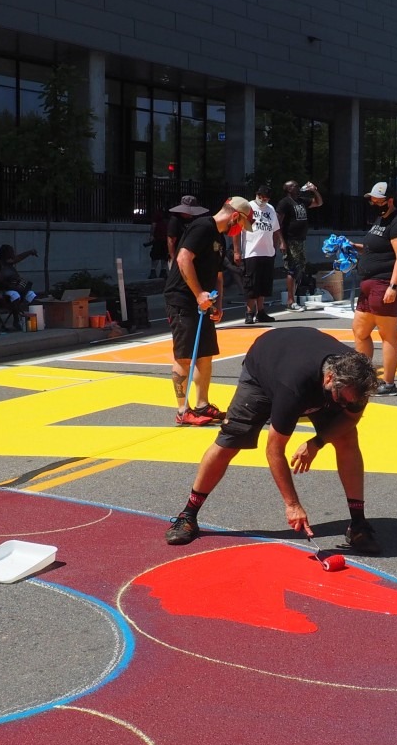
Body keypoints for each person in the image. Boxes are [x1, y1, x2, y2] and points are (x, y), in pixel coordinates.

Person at [163, 326, 382, 552]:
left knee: (346, 438)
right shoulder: (294, 385)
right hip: (264, 367)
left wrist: (317, 442)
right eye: (341, 400)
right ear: (329, 378)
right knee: (230, 441)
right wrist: (292, 505)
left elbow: (351, 418)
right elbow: (274, 449)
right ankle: (188, 514)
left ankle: (358, 524)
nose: (344, 406)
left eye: (350, 402)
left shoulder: (356, 384)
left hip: (303, 360)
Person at [166, 196, 253, 426]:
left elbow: (218, 274)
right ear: (235, 216)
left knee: (205, 354)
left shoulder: (219, 238)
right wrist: (198, 295)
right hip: (183, 298)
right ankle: (183, 410)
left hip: (203, 301)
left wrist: (218, 303)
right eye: (241, 225)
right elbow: (183, 258)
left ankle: (202, 404)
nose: (239, 231)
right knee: (184, 355)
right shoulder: (203, 227)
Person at [351, 182, 397, 396]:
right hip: (369, 283)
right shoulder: (380, 220)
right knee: (360, 331)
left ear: (390, 200)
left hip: (385, 283)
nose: (375, 204)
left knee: (387, 335)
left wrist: (393, 287)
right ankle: (365, 378)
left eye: (379, 201)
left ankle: (388, 382)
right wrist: (351, 246)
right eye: (373, 200)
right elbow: (373, 248)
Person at [277, 179, 323, 311]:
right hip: (290, 240)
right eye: (295, 186)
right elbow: (278, 223)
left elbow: (319, 203)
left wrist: (314, 190)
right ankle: (290, 301)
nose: (298, 187)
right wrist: (281, 241)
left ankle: (294, 297)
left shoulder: (302, 200)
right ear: (289, 189)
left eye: (298, 186)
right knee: (291, 267)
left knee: (300, 268)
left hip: (300, 240)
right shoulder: (284, 203)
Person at [242, 184, 283, 324]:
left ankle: (261, 311)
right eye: (261, 196)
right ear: (257, 194)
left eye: (266, 198)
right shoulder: (248, 206)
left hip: (267, 251)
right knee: (252, 284)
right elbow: (237, 228)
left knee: (264, 284)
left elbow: (276, 229)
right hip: (251, 250)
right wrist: (236, 250)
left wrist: (277, 244)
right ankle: (249, 312)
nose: (263, 200)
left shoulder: (270, 209)